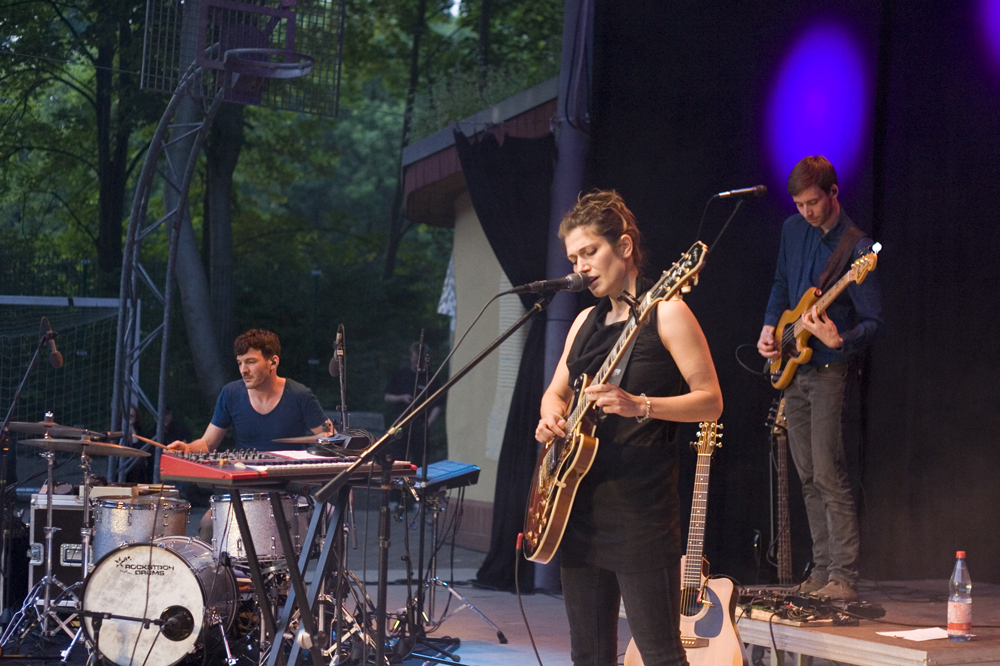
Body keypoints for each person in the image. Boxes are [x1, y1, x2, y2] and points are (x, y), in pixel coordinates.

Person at [535, 190, 723, 666]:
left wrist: (639, 404)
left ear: (624, 247)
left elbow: (711, 402)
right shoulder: (583, 321)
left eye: (589, 252)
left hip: (641, 512)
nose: (581, 266)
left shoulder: (669, 312)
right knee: (589, 655)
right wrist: (550, 414)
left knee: (661, 655)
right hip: (578, 506)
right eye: (574, 257)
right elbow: (555, 391)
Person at [757, 155, 884, 602]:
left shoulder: (858, 247)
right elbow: (780, 284)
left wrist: (838, 340)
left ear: (833, 193)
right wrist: (771, 327)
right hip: (794, 367)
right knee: (807, 475)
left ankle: (844, 576)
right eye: (799, 204)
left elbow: (875, 321)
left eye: (813, 202)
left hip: (830, 370)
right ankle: (822, 569)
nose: (806, 212)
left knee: (830, 473)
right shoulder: (792, 231)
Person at [168, 329, 332, 454]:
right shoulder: (231, 394)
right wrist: (187, 448)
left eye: (250, 362)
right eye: (240, 363)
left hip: (291, 488)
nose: (243, 370)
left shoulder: (300, 395)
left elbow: (331, 439)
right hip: (245, 488)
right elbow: (208, 444)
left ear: (273, 362)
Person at [384, 342, 442, 463]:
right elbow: (388, 397)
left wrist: (428, 423)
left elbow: (438, 404)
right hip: (401, 422)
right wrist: (402, 398)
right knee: (398, 457)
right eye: (414, 357)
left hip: (420, 424)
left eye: (419, 359)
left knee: (419, 460)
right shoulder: (402, 375)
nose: (416, 361)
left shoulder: (430, 378)